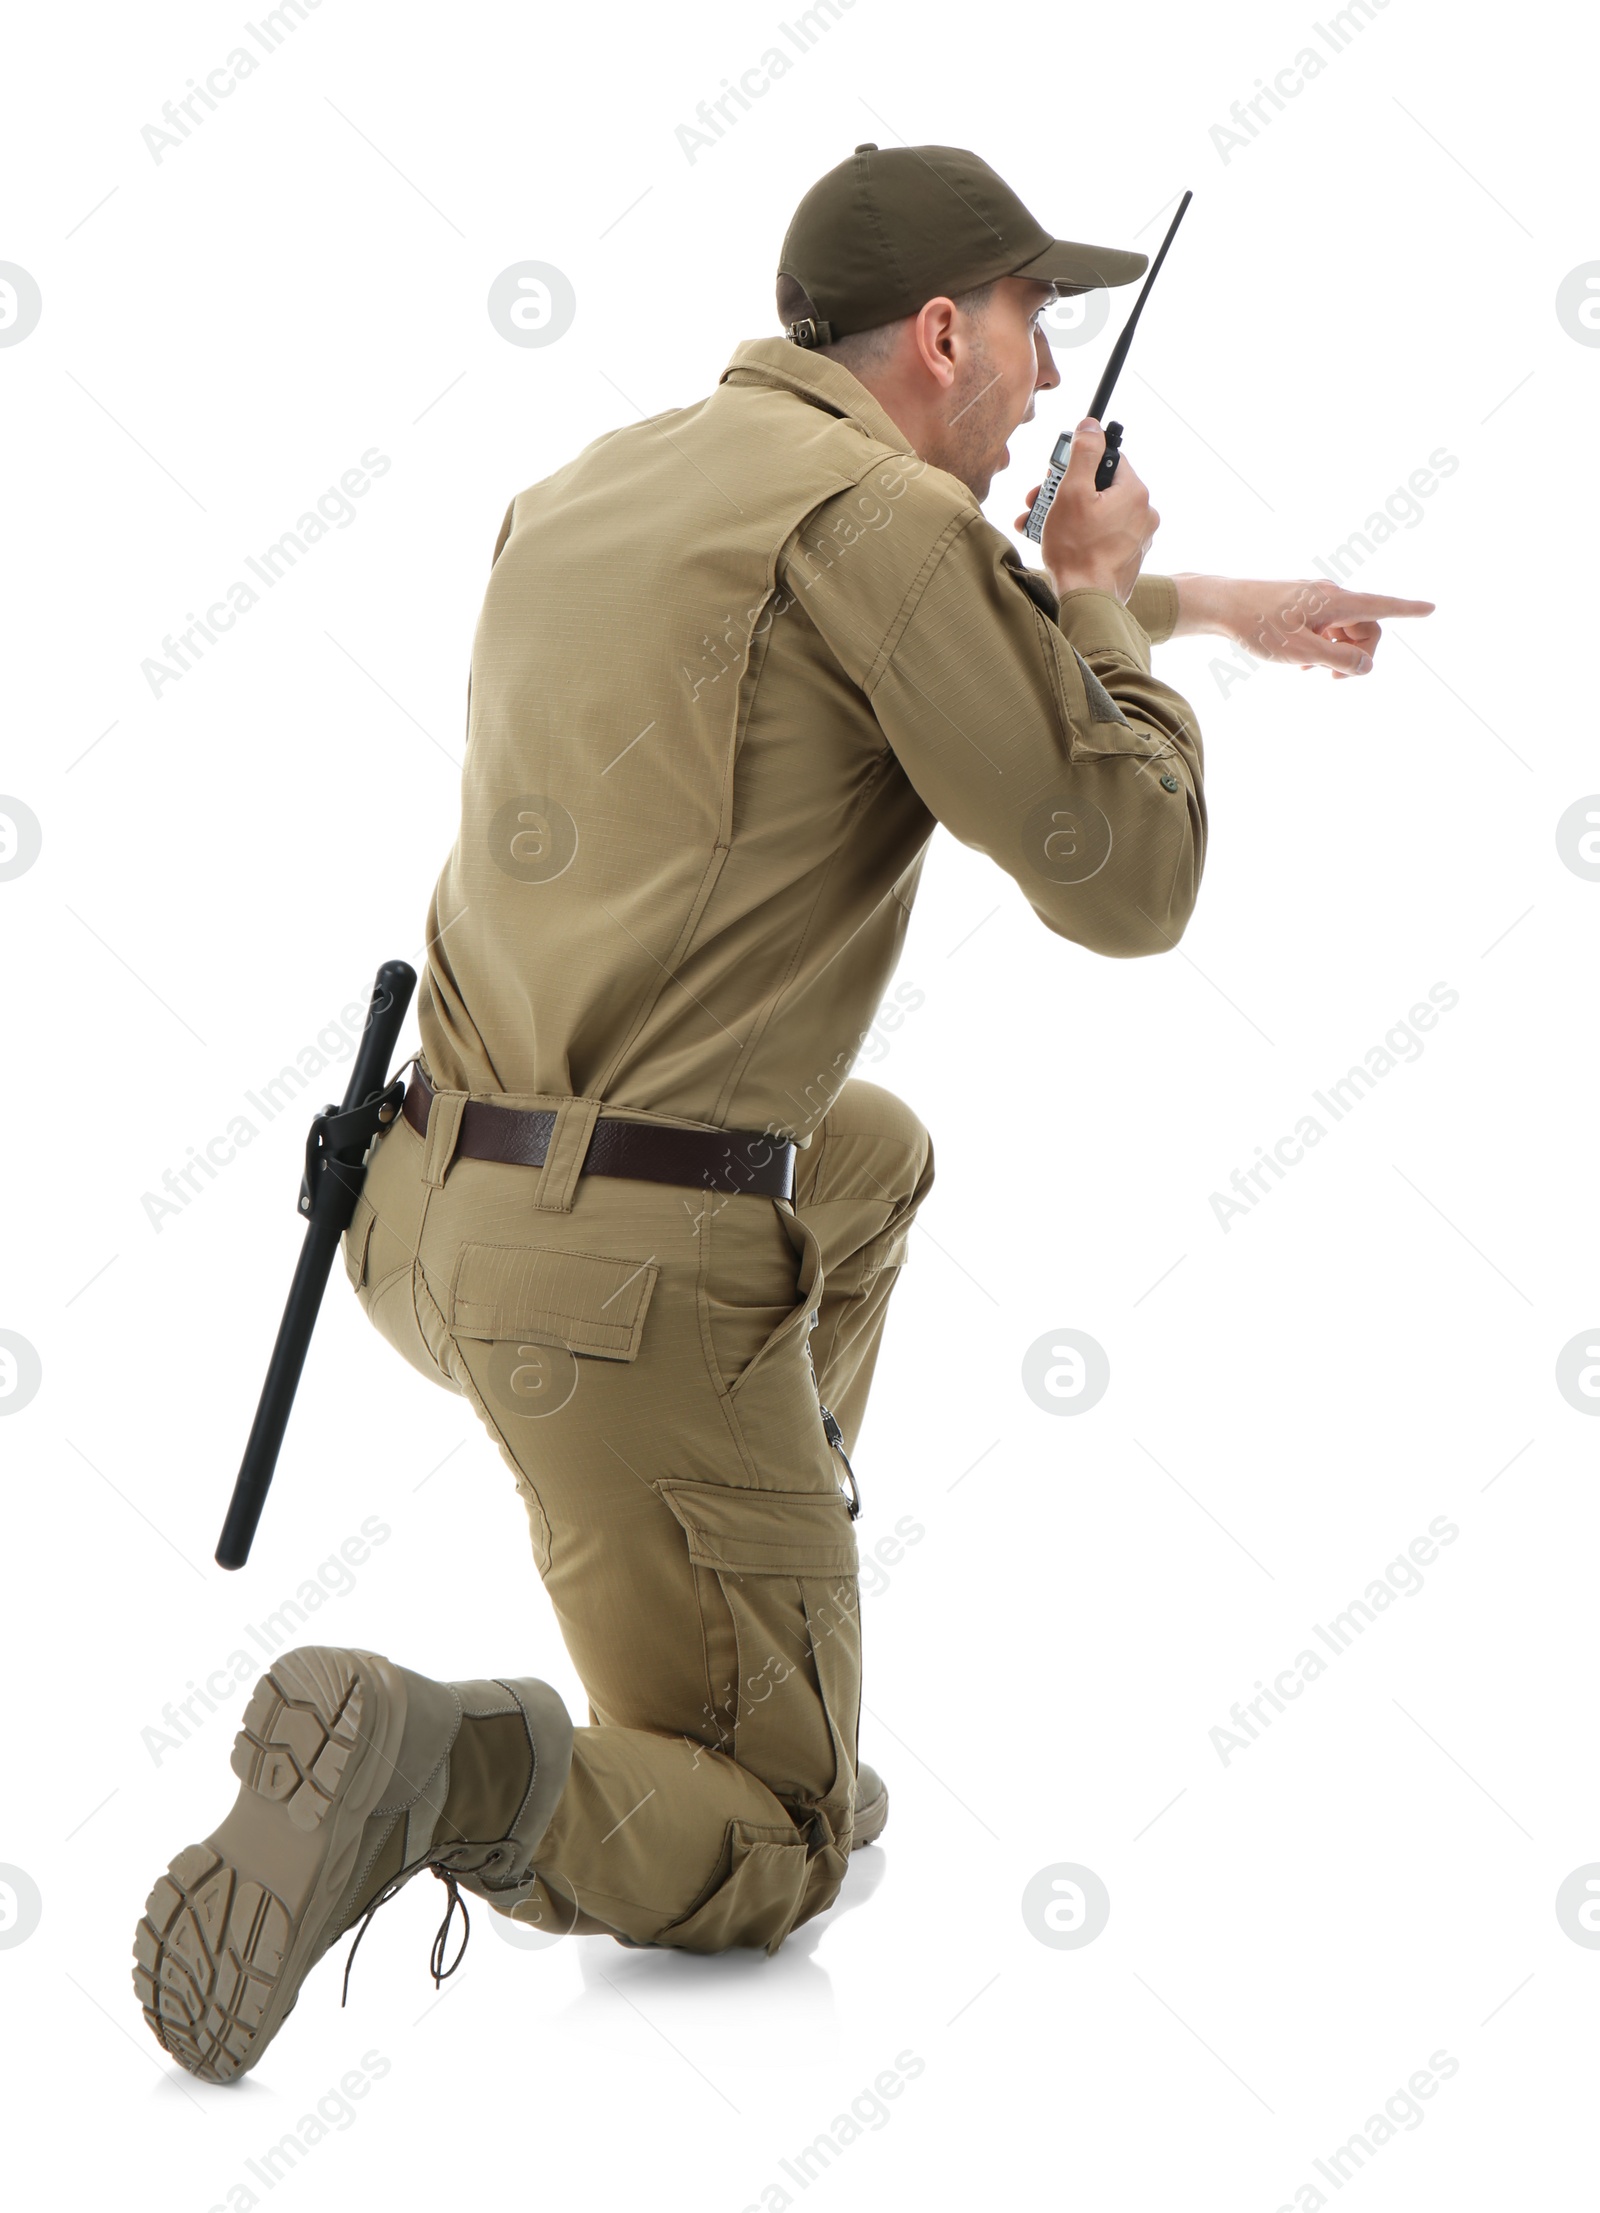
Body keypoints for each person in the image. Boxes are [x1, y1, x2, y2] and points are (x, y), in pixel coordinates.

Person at [132, 143, 1433, 2084]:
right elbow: (1122, 880)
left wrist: (1193, 603)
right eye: (1026, 325)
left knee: (866, 1153)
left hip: (416, 1213)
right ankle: (465, 1766)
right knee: (779, 1845)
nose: (1040, 375)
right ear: (936, 332)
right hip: (619, 1289)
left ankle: (752, 1602)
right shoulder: (887, 534)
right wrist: (1093, 616)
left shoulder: (594, 486)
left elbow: (923, 620)